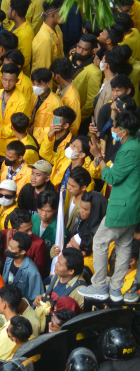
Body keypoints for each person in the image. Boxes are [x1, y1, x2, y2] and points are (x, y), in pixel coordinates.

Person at [81, 111, 140, 303]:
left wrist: (98, 157)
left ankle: (99, 285)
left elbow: (112, 178)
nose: (111, 130)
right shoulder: (134, 144)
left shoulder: (129, 149)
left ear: (123, 131)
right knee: (123, 245)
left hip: (121, 207)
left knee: (99, 241)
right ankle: (115, 288)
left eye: (114, 127)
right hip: (131, 207)